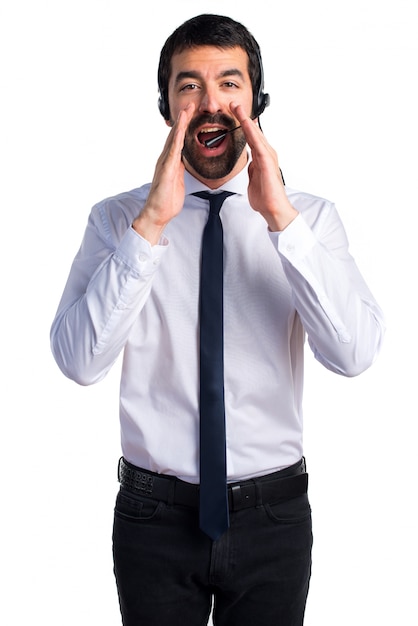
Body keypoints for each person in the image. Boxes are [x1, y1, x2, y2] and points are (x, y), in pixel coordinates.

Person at [50, 13, 385, 626]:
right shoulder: (115, 220)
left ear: (256, 102)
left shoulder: (310, 219)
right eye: (189, 87)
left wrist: (281, 220)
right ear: (165, 105)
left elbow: (354, 353)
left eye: (229, 84)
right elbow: (77, 361)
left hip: (274, 517)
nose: (210, 103)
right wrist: (149, 224)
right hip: (153, 520)